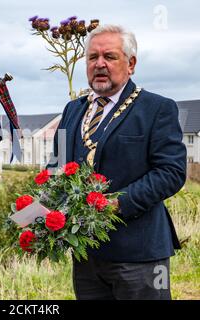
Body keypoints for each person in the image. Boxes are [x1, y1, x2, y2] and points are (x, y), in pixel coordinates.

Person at [49, 25, 186, 300]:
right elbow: (56, 165)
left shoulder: (157, 108)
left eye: (109, 57)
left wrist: (116, 205)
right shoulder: (73, 110)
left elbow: (171, 172)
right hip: (87, 253)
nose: (99, 64)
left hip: (139, 254)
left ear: (131, 64)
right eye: (92, 57)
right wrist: (38, 211)